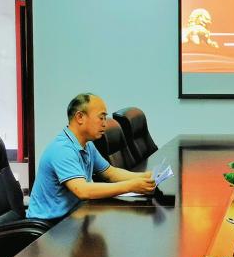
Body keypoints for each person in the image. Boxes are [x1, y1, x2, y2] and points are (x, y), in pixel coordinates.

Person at [27, 93, 156, 221]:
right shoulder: (62, 150)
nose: (105, 124)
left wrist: (146, 177)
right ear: (80, 117)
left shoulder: (87, 144)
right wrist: (130, 186)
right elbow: (83, 191)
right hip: (50, 225)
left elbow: (110, 173)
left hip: (75, 215)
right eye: (101, 117)